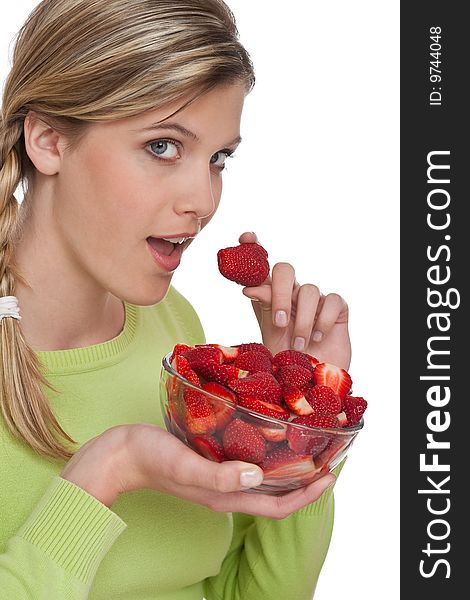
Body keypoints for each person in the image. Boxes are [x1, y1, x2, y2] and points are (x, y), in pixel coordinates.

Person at [0, 1, 351, 598]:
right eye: (163, 147)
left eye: (218, 158)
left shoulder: (173, 325)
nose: (204, 200)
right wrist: (107, 472)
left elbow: (239, 592)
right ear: (49, 139)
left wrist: (296, 428)